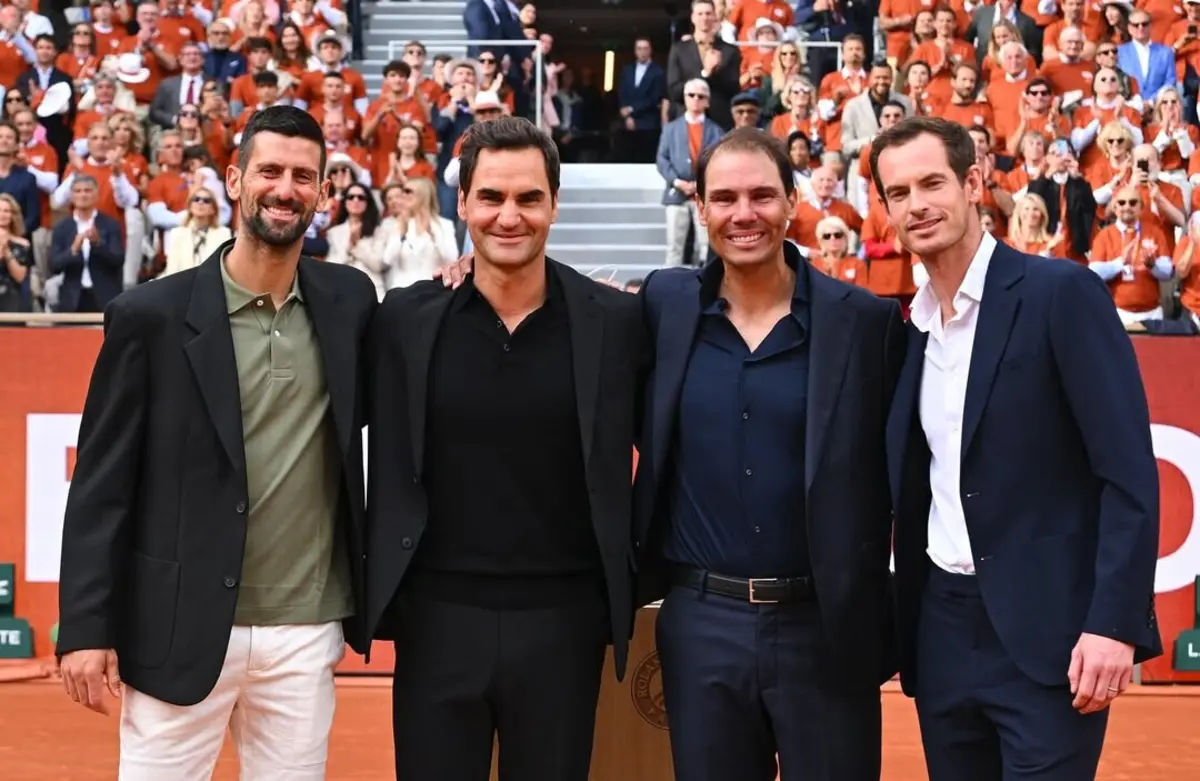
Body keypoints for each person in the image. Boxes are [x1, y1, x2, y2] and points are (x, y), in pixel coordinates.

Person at [54, 106, 378, 780]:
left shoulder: (351, 300)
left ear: (321, 191)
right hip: (178, 622)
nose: (285, 188)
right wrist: (86, 627)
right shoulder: (149, 317)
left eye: (303, 176)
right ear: (234, 179)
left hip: (305, 626)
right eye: (269, 171)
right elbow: (101, 483)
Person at [870, 116, 1163, 780]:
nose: (916, 205)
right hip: (942, 629)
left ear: (974, 182)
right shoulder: (908, 331)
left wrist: (1113, 622)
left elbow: (1127, 475)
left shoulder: (1059, 294)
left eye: (932, 183)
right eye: (898, 192)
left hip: (1049, 633)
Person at [365, 115, 645, 781]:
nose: (508, 216)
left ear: (555, 202)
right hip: (436, 620)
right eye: (490, 197)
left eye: (528, 197)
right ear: (461, 204)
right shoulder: (406, 319)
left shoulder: (618, 322)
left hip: (566, 623)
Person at [634, 127, 905, 781]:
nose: (743, 213)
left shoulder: (864, 321)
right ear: (700, 207)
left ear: (792, 200)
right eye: (724, 197)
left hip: (826, 627)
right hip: (702, 626)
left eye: (761, 195)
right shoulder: (663, 306)